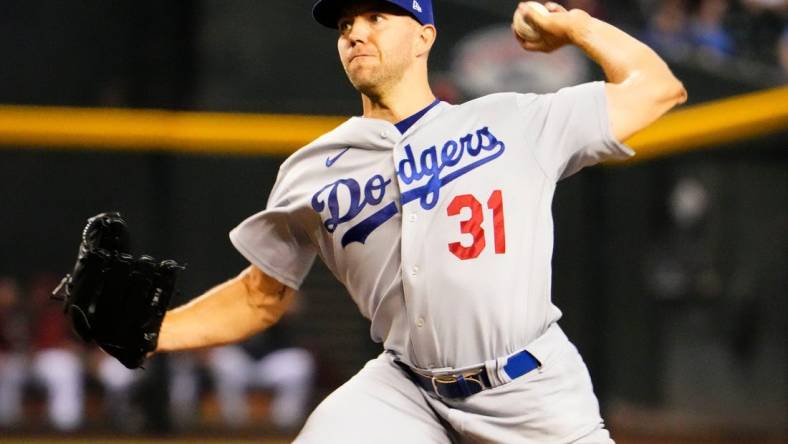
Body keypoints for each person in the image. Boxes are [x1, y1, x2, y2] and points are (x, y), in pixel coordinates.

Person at [153, 1, 686, 442]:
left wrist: (575, 26)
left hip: (528, 387)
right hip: (406, 389)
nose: (356, 33)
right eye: (345, 25)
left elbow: (658, 89)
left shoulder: (512, 120)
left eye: (376, 18)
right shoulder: (310, 169)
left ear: (424, 37)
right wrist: (152, 331)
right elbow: (259, 296)